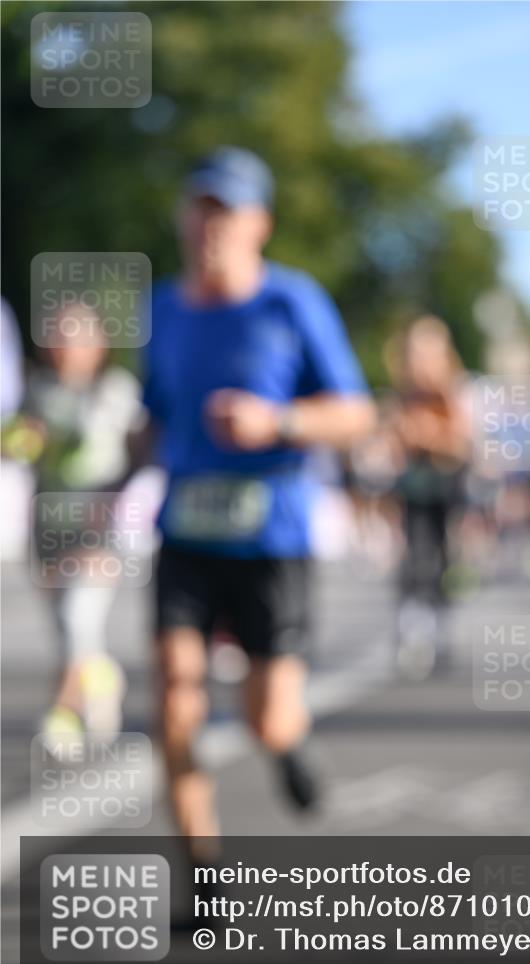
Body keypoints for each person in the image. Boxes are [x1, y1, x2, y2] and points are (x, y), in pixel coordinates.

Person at [141, 147, 374, 849]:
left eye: (226, 212)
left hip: (270, 536)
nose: (209, 227)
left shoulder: (291, 302)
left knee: (265, 717)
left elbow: (357, 414)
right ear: (182, 219)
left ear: (258, 224)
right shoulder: (162, 311)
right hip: (183, 533)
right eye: (199, 210)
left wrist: (278, 422)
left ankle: (287, 743)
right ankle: (202, 863)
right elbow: (149, 422)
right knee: (174, 700)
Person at [22, 302, 141, 754]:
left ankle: (64, 713)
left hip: (100, 523)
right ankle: (102, 676)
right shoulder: (38, 391)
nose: (65, 344)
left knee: (78, 618)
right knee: (66, 626)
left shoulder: (116, 391)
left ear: (99, 343)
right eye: (58, 334)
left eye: (76, 334)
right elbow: (24, 451)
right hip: (49, 524)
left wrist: (115, 503)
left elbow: (141, 453)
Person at [383, 315, 471, 677]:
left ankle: (439, 626)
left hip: (446, 486)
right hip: (413, 488)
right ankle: (412, 627)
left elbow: (461, 444)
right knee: (413, 557)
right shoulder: (403, 396)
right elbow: (392, 439)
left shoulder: (453, 393)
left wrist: (432, 437)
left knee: (443, 557)